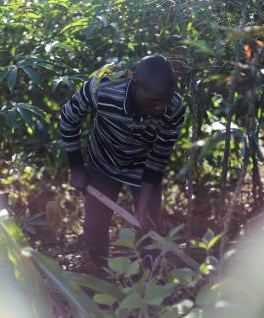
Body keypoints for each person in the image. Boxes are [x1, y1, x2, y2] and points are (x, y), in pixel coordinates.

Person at [59, 54, 185, 273]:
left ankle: (151, 278)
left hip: (142, 169)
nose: (160, 108)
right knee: (95, 226)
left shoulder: (174, 108)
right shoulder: (102, 90)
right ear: (135, 86)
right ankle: (101, 274)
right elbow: (69, 118)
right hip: (102, 163)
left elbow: (159, 156)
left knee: (150, 229)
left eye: (165, 100)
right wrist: (77, 167)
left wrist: (144, 206)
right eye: (154, 101)